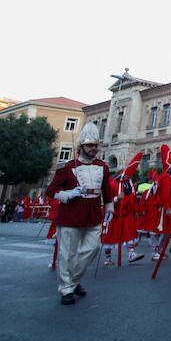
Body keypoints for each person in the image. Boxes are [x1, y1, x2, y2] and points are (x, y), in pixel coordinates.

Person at [45, 122, 114, 305]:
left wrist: (109, 207)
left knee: (93, 248)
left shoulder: (103, 166)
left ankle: (73, 281)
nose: (94, 149)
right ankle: (66, 287)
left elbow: (106, 190)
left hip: (93, 215)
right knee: (67, 254)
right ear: (82, 146)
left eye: (96, 145)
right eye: (90, 145)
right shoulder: (66, 167)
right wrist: (67, 195)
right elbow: (51, 191)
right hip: (70, 215)